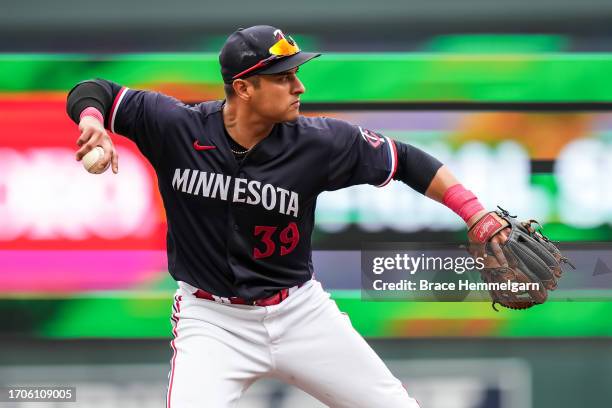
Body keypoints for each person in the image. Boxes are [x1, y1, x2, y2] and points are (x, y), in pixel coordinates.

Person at [66, 25, 509, 408]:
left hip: (299, 313)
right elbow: (95, 90)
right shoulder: (176, 127)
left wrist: (475, 214)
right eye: (284, 76)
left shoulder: (321, 142)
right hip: (213, 321)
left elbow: (407, 160)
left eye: (297, 73)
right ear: (243, 87)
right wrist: (92, 120)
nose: (299, 87)